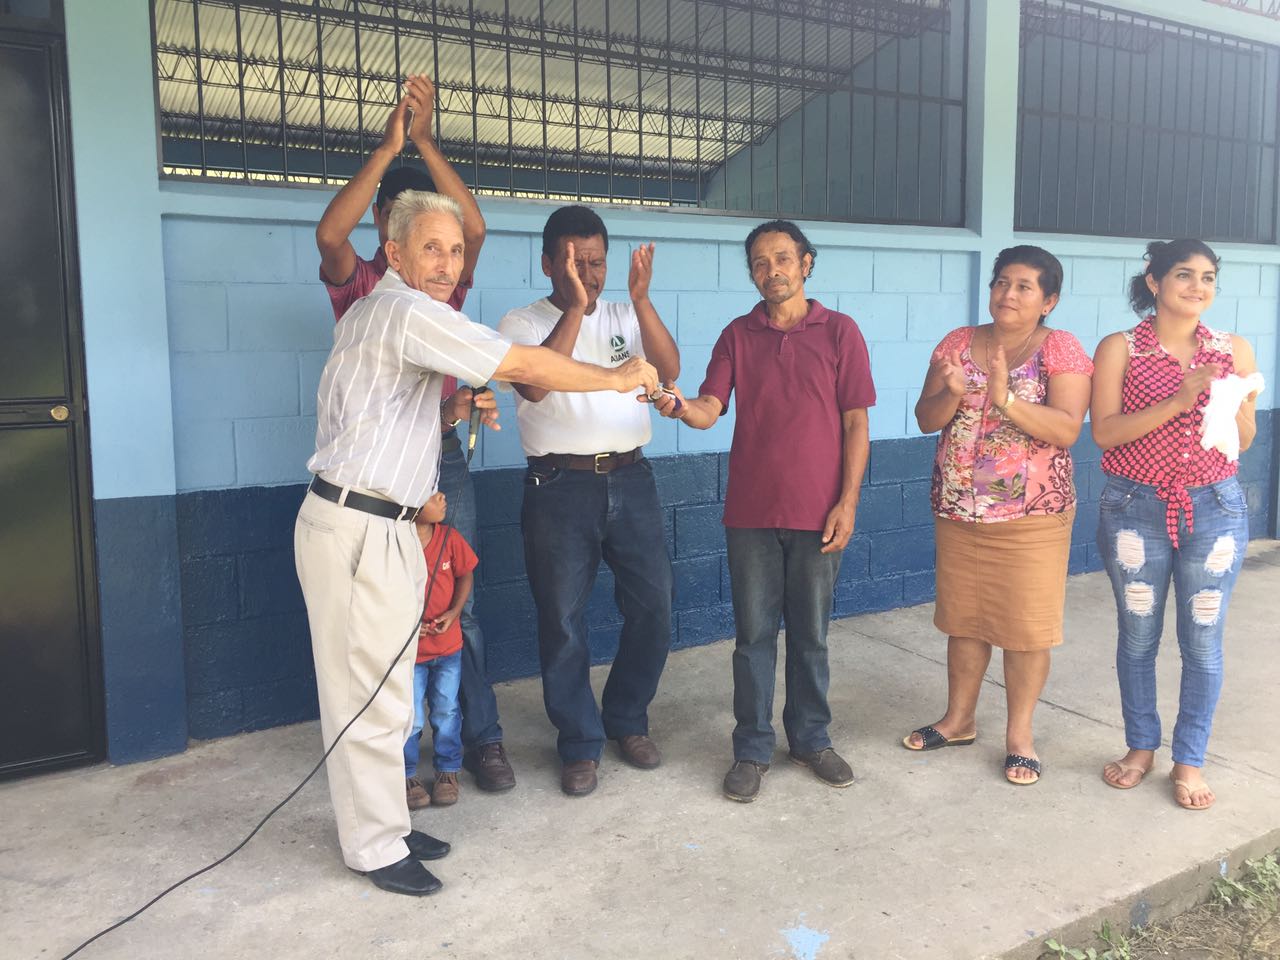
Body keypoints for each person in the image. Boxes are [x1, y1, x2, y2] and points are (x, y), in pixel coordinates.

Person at [295, 189, 659, 896]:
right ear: (394, 253)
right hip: (356, 527)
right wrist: (615, 375)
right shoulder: (402, 310)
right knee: (366, 701)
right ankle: (372, 845)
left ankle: (388, 828)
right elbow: (524, 366)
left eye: (456, 250)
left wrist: (452, 421)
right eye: (430, 246)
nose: (446, 262)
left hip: (395, 522)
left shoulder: (398, 315)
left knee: (390, 696)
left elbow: (399, 411)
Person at [314, 75, 516, 794]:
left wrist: (427, 143)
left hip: (440, 461)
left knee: (460, 596)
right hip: (374, 477)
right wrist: (390, 145)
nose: (443, 254)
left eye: (446, 245)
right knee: (386, 617)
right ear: (385, 227)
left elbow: (475, 228)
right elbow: (329, 235)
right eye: (403, 220)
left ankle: (479, 741)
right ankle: (397, 764)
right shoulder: (362, 280)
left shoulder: (440, 280)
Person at [653, 220, 874, 803]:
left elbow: (857, 422)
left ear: (806, 263)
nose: (771, 270)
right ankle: (751, 748)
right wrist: (674, 405)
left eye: (782, 258)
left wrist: (848, 502)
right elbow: (709, 407)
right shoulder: (737, 335)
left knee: (812, 637)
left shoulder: (840, 333)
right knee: (753, 638)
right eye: (758, 262)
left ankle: (810, 738)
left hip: (820, 512)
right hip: (750, 513)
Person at [497, 205, 680, 798]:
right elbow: (534, 383)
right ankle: (579, 742)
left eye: (596, 263)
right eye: (575, 264)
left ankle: (626, 718)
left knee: (654, 609)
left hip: (632, 480)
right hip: (558, 488)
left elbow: (669, 371)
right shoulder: (522, 323)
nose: (588, 275)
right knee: (563, 622)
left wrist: (643, 300)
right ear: (548, 262)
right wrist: (575, 307)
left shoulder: (628, 313)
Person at [902, 245, 1092, 786]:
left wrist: (1005, 399)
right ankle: (958, 720)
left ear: (1049, 300)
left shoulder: (1062, 349)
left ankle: (1020, 737)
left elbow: (1065, 429)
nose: (1008, 294)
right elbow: (925, 418)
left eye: (1025, 286)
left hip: (1032, 516)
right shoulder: (957, 344)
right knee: (964, 620)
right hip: (958, 509)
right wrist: (950, 391)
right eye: (1002, 282)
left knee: (1026, 630)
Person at [1091, 239, 1260, 811]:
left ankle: (1189, 758)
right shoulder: (1121, 348)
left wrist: (1232, 397)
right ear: (1155, 281)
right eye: (1184, 274)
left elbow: (1245, 439)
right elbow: (1105, 433)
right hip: (1135, 508)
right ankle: (1141, 747)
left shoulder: (1233, 348)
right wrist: (1180, 397)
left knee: (1203, 641)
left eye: (1208, 277)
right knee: (1138, 636)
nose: (1197, 286)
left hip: (1215, 508)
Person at [403, 492, 478, 811]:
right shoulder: (396, 547)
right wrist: (405, 623)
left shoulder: (450, 538)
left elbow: (465, 575)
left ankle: (448, 770)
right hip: (409, 654)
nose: (443, 497)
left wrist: (455, 612)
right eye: (430, 495)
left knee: (447, 711)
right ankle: (405, 774)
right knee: (411, 717)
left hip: (448, 649)